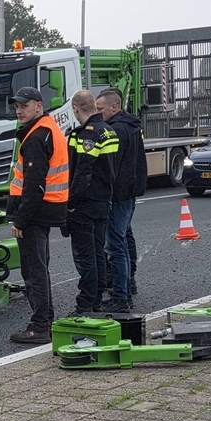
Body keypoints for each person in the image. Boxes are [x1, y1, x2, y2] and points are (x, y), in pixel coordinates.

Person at [5, 86, 70, 344]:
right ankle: (46, 320)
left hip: (35, 213)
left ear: (38, 106)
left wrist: (20, 219)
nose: (19, 110)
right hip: (49, 209)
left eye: (24, 105)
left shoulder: (36, 138)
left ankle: (40, 325)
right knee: (40, 267)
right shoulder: (49, 129)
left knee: (33, 270)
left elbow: (34, 185)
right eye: (17, 106)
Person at [66, 90, 118, 316]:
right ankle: (96, 299)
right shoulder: (109, 131)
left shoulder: (84, 135)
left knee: (85, 257)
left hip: (85, 204)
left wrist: (70, 201)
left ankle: (85, 303)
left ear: (76, 109)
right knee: (97, 254)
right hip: (103, 200)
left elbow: (82, 172)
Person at [95, 89, 147, 313]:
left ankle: (121, 296)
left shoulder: (115, 130)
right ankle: (127, 284)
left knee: (115, 245)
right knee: (124, 237)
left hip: (118, 194)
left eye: (100, 109)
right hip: (129, 191)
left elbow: (112, 166)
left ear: (113, 107)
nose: (98, 114)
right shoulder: (131, 126)